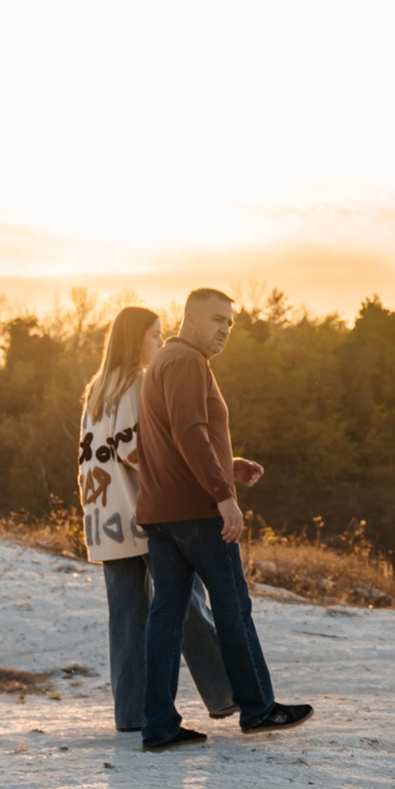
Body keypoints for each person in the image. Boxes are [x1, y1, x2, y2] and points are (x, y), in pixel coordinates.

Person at [134, 287, 311, 749]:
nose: (224, 330)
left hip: (162, 512)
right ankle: (258, 709)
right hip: (197, 511)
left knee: (167, 616)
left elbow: (174, 441)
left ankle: (158, 725)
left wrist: (228, 466)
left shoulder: (163, 363)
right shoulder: (189, 362)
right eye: (216, 320)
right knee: (233, 605)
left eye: (230, 323)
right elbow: (191, 433)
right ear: (189, 318)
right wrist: (223, 495)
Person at [76, 307, 239, 734]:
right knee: (186, 604)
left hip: (105, 521)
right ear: (135, 342)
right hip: (145, 513)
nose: (162, 344)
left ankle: (131, 714)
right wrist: (208, 480)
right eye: (155, 335)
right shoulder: (140, 384)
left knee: (127, 619)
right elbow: (141, 451)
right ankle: (229, 693)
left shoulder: (95, 392)